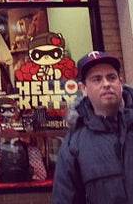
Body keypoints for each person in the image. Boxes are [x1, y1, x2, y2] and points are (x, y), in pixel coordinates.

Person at [51, 51, 133, 203]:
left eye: (111, 77)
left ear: (120, 82)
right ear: (83, 88)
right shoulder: (74, 144)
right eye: (97, 79)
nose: (106, 84)